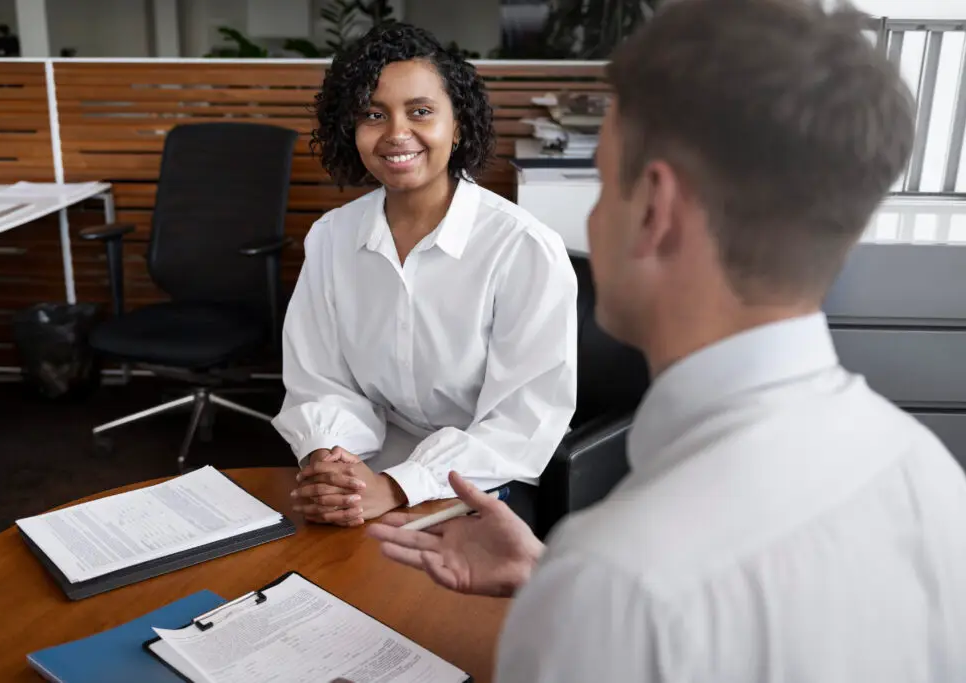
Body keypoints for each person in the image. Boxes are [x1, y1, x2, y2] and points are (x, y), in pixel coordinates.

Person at [368, 0, 966, 680]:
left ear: (655, 208)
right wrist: (550, 577)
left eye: (604, 184)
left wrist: (576, 601)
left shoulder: (618, 583)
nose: (592, 221)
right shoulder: (931, 475)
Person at [273, 23, 577, 529]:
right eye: (374, 115)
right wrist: (333, 460)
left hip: (485, 477)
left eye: (420, 111)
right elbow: (320, 380)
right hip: (374, 462)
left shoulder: (522, 247)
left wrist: (398, 487)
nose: (396, 133)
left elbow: (522, 421)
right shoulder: (332, 237)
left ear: (457, 126)